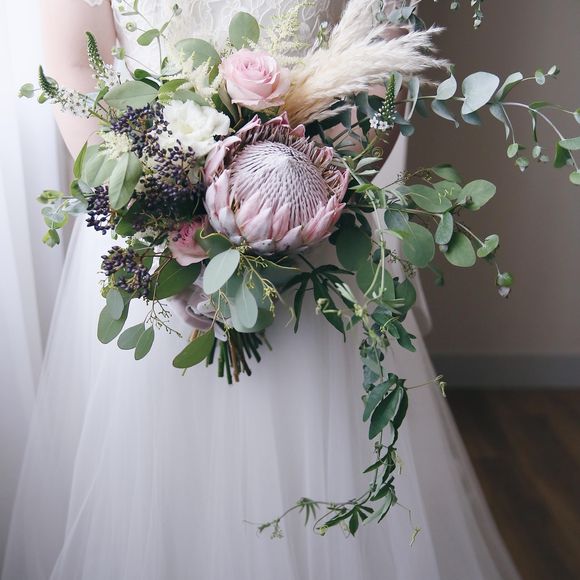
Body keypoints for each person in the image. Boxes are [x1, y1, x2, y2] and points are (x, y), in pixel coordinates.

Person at [2, 1, 521, 578]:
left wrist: (317, 200)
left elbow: (387, 61)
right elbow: (74, 65)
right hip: (151, 227)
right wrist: (158, 218)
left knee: (319, 468)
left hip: (312, 226)